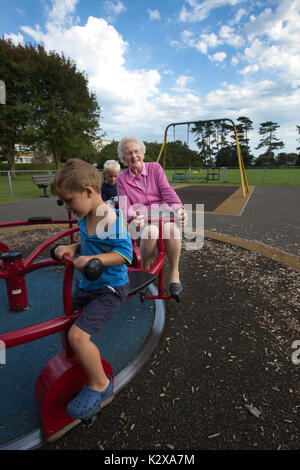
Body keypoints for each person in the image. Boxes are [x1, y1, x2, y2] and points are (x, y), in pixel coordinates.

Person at [50, 158, 132, 419]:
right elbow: (87, 246)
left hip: (109, 288)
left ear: (87, 192)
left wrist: (96, 261)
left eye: (69, 200)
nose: (68, 207)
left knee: (77, 336)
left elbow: (124, 253)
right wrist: (71, 248)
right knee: (65, 323)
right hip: (89, 284)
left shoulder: (108, 219)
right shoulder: (86, 217)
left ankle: (101, 383)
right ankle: (79, 359)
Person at [116, 136, 187, 298]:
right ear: (123, 158)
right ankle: (146, 271)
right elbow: (123, 206)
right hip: (142, 219)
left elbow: (167, 191)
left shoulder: (155, 168)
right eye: (128, 153)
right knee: (151, 233)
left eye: (136, 151)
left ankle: (174, 274)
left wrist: (179, 209)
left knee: (171, 230)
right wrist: (134, 216)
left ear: (142, 152)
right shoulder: (121, 179)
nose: (134, 156)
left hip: (162, 214)